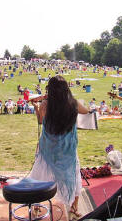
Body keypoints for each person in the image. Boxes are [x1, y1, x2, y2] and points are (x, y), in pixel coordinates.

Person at [30, 75, 89, 220]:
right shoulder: (72, 103)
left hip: (48, 148)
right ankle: (74, 207)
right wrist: (69, 97)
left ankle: (36, 205)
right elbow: (86, 111)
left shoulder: (45, 104)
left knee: (40, 175)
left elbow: (40, 120)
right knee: (73, 175)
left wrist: (37, 107)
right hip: (67, 149)